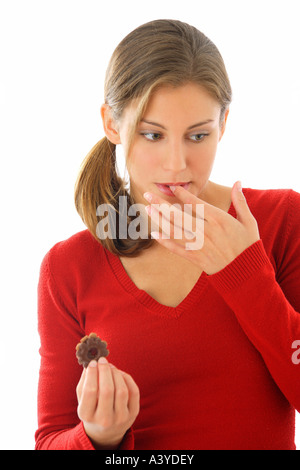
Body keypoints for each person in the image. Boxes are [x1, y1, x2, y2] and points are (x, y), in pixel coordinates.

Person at [35, 19, 300, 450]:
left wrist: (246, 274)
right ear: (112, 124)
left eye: (198, 135)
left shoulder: (281, 222)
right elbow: (49, 440)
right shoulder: (69, 267)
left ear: (224, 123)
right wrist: (99, 438)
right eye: (152, 134)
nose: (177, 164)